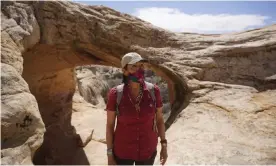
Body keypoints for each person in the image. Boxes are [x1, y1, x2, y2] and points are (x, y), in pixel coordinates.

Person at [105, 52, 168, 165]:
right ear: (124, 70)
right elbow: (110, 125)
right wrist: (109, 155)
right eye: (134, 66)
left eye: (141, 66)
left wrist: (164, 145)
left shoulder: (153, 91)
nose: (139, 70)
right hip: (123, 152)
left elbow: (159, 120)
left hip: (147, 151)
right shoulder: (116, 94)